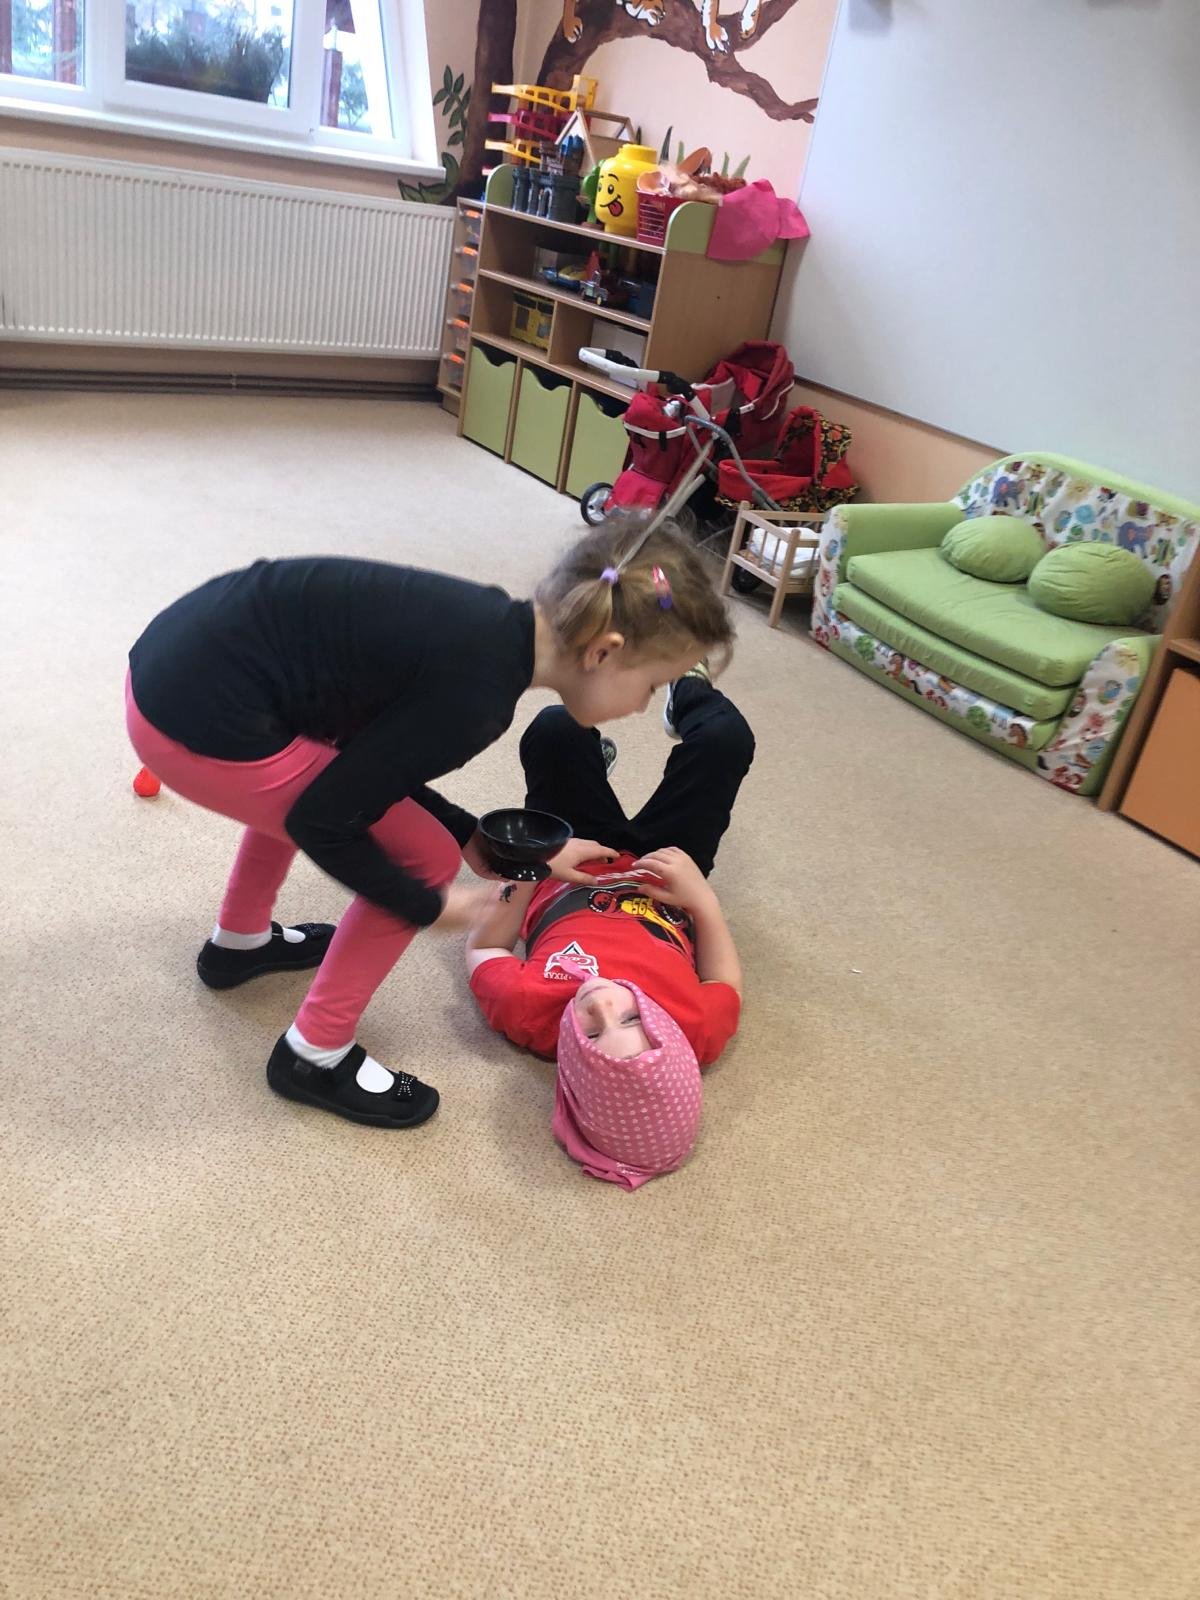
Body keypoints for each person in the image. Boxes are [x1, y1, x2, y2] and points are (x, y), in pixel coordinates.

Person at [125, 517, 734, 1130]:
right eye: (652, 686)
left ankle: (239, 944)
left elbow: (368, 767)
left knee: (330, 776)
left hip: (175, 674)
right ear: (604, 651)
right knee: (422, 857)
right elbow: (324, 820)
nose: (642, 706)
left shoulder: (488, 632)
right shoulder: (475, 701)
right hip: (199, 729)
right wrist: (424, 903)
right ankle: (315, 1054)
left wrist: (478, 841)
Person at [466, 663, 754, 1188]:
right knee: (726, 738)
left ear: (572, 1072)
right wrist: (703, 901)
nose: (600, 1005)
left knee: (555, 727)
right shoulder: (695, 1030)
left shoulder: (529, 1010)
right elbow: (724, 982)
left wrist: (535, 866)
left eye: (592, 1034)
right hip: (668, 868)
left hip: (572, 856)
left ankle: (588, 768)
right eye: (632, 1020)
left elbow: (485, 948)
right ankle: (688, 692)